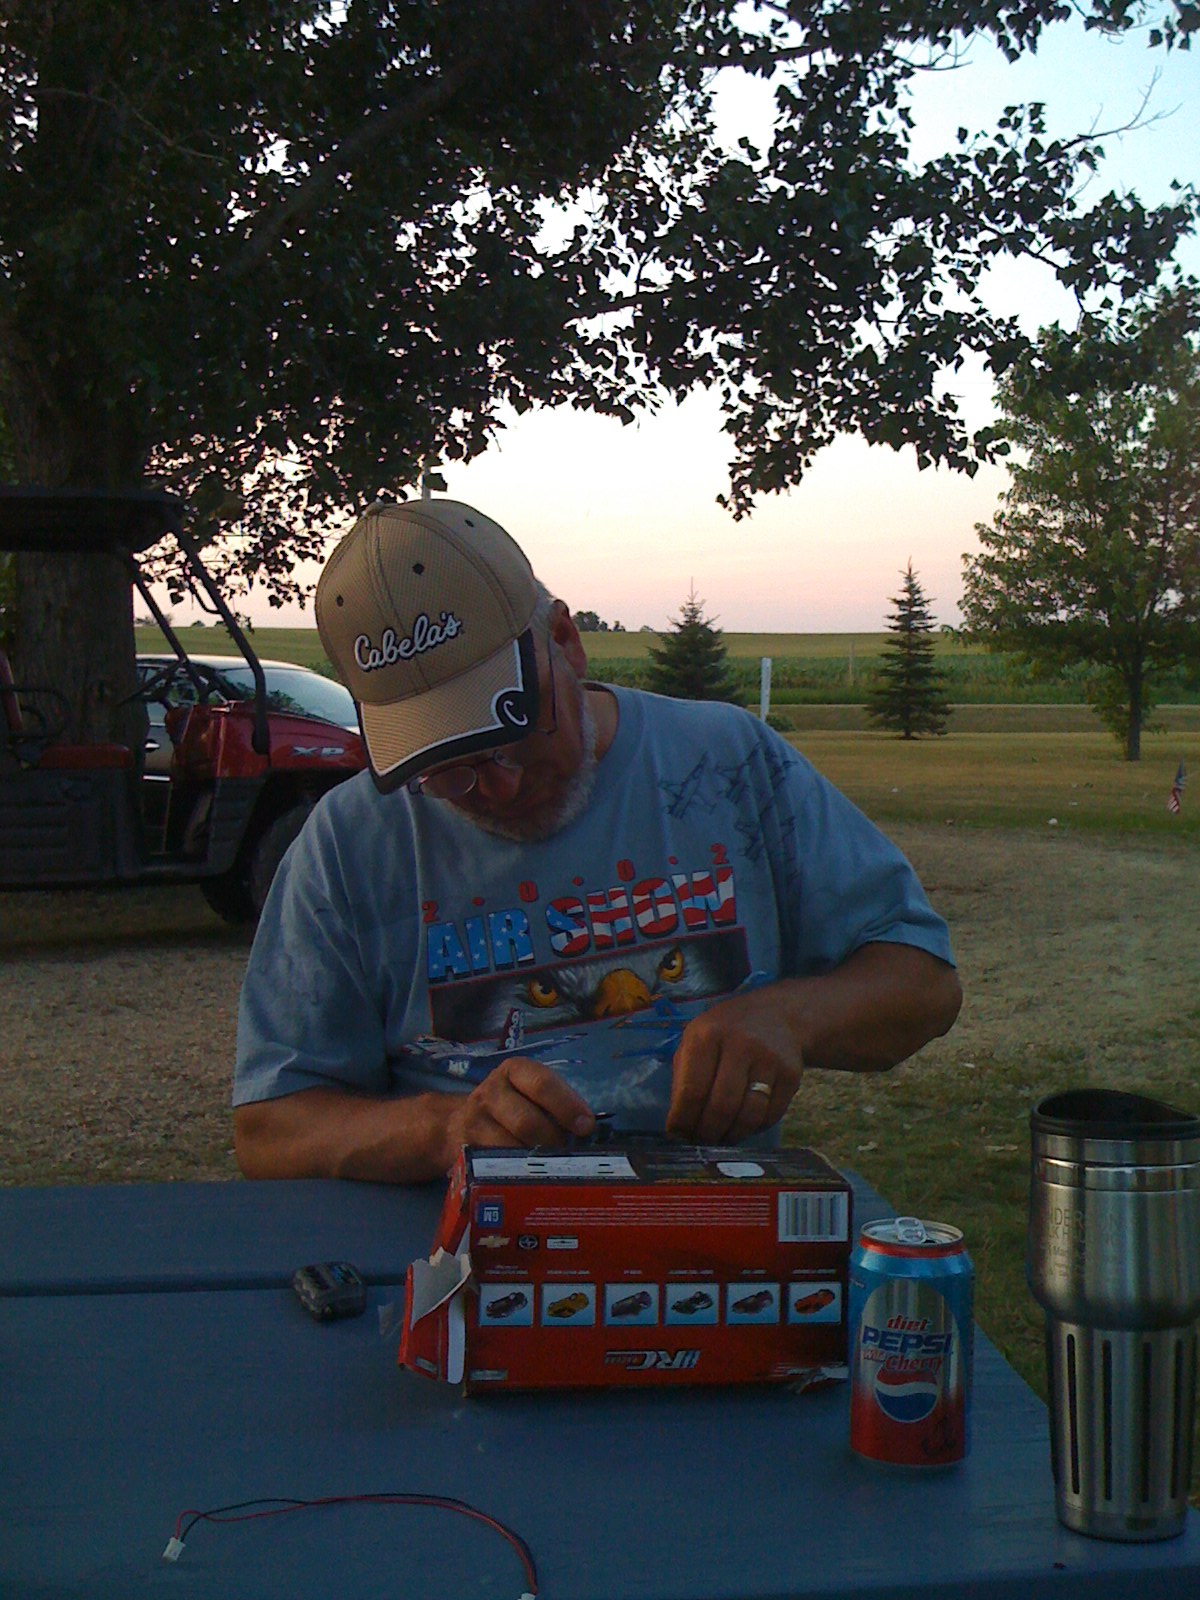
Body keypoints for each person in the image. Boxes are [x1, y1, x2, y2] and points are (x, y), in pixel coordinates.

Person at [234, 498, 961, 1183]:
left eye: (514, 733)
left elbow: (925, 987)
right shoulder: (348, 842)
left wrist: (791, 1018)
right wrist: (442, 1129)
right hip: (461, 1248)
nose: (500, 787)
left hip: (710, 1230)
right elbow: (269, 1129)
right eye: (447, 769)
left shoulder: (728, 762)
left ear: (565, 641)